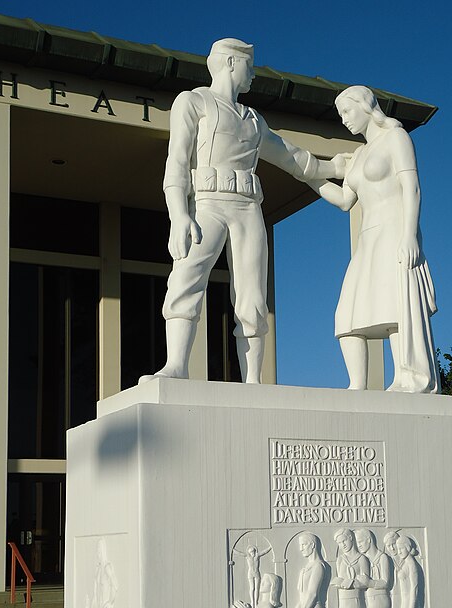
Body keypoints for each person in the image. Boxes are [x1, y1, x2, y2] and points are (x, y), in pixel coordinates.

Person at [142, 38, 344, 385]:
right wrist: (179, 215)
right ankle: (176, 364)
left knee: (252, 295)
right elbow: (176, 160)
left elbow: (293, 158)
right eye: (250, 66)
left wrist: (334, 167)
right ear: (232, 63)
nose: (253, 75)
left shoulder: (254, 120)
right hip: (207, 201)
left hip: (247, 207)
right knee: (186, 278)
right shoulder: (193, 101)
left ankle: (253, 380)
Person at [308, 85, 440, 393]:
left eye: (346, 111)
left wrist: (409, 235)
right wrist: (308, 177)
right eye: (339, 114)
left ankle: (408, 379)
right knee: (347, 314)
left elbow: (412, 188)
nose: (344, 120)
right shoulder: (358, 156)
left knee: (396, 307)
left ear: (365, 106)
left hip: (395, 230)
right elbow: (343, 200)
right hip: (368, 239)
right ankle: (357, 386)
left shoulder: (396, 138)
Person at [233, 541, 271, 608]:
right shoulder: (248, 556)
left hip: (256, 573)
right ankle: (252, 601)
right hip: (250, 573)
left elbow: (264, 552)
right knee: (252, 588)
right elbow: (240, 553)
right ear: (249, 552)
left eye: (253, 551)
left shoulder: (257, 556)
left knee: (257, 588)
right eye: (250, 552)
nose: (252, 553)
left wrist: (270, 547)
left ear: (255, 551)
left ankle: (256, 602)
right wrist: (233, 550)